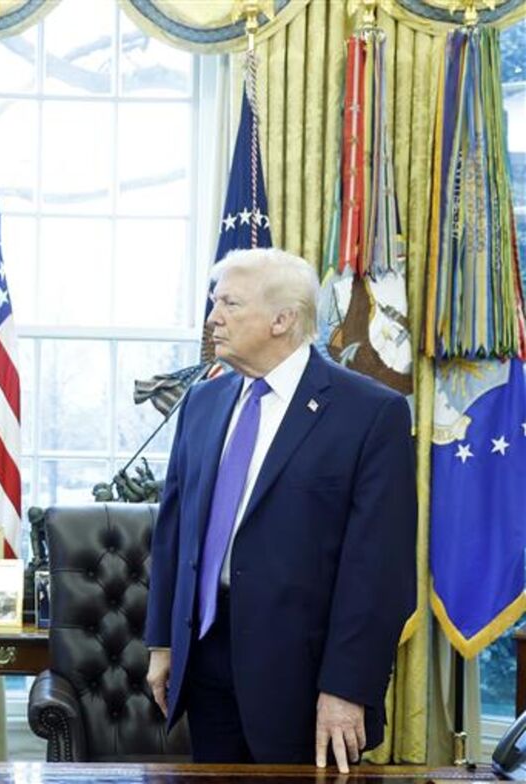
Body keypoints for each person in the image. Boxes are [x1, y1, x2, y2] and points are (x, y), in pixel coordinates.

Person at [145, 249, 415, 770]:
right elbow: (173, 533)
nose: (213, 318)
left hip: (304, 678)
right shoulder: (202, 403)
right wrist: (162, 641)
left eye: (229, 303)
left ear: (282, 319)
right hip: (205, 661)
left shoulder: (370, 414)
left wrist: (346, 688)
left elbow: (379, 572)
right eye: (214, 302)